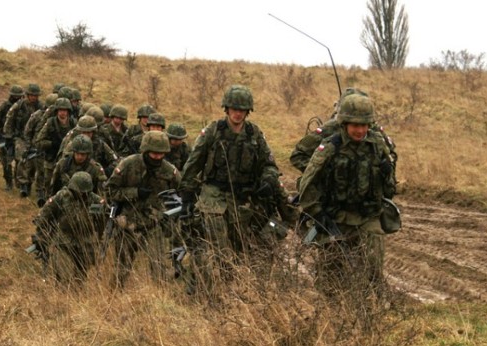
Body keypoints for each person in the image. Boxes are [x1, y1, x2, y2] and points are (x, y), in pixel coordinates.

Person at [178, 84, 280, 297]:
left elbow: (269, 164)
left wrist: (269, 180)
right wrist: (187, 196)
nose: (237, 113)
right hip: (213, 197)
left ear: (248, 111)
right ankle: (209, 293)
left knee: (238, 250)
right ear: (226, 109)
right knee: (219, 249)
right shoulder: (213, 131)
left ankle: (226, 291)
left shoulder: (255, 134)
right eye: (234, 108)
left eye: (242, 109)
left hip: (241, 200)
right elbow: (193, 163)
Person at [298, 93, 397, 297]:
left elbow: (389, 191)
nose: (360, 130)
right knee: (330, 278)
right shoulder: (330, 147)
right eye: (355, 125)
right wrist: (317, 213)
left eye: (364, 125)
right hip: (335, 217)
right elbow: (307, 185)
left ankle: (369, 311)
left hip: (367, 217)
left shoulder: (377, 146)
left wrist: (388, 172)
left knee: (372, 269)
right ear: (344, 124)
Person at [105, 131, 181, 287]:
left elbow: (180, 196)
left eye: (161, 154)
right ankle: (113, 300)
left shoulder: (169, 171)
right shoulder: (128, 164)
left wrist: (169, 214)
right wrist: (135, 193)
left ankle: (160, 303)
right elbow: (110, 191)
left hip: (154, 225)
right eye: (154, 153)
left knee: (159, 269)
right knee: (122, 269)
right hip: (128, 224)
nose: (158, 157)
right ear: (145, 151)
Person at [32, 171, 106, 284]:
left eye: (85, 192)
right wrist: (40, 238)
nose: (82, 195)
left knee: (80, 278)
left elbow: (104, 218)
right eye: (79, 192)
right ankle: (62, 294)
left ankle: (76, 296)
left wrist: (101, 238)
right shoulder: (61, 197)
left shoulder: (94, 200)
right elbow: (43, 217)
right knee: (63, 276)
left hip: (86, 243)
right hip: (64, 242)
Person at [34, 97, 78, 200]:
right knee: (49, 184)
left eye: (65, 110)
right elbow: (39, 141)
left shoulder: (73, 123)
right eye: (60, 110)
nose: (62, 113)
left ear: (68, 111)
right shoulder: (50, 123)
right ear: (57, 111)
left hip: (67, 159)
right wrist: (52, 144)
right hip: (51, 158)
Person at [4, 83, 43, 197]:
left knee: (33, 162)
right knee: (21, 159)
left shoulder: (40, 107)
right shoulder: (19, 105)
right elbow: (9, 119)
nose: (34, 97)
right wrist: (8, 135)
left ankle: (28, 183)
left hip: (34, 138)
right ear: (27, 95)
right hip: (20, 137)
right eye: (31, 95)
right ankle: (22, 184)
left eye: (36, 95)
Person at [0, 84, 24, 191]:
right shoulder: (4, 106)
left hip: (18, 137)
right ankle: (9, 182)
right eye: (15, 96)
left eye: (19, 96)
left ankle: (19, 182)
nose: (17, 98)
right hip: (4, 137)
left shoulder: (24, 107)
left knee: (20, 161)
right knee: (6, 162)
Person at [24, 93, 58, 207]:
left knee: (46, 172)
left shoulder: (57, 120)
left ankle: (44, 194)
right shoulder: (38, 115)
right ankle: (35, 190)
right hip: (37, 147)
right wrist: (29, 146)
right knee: (36, 170)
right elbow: (28, 131)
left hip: (50, 149)